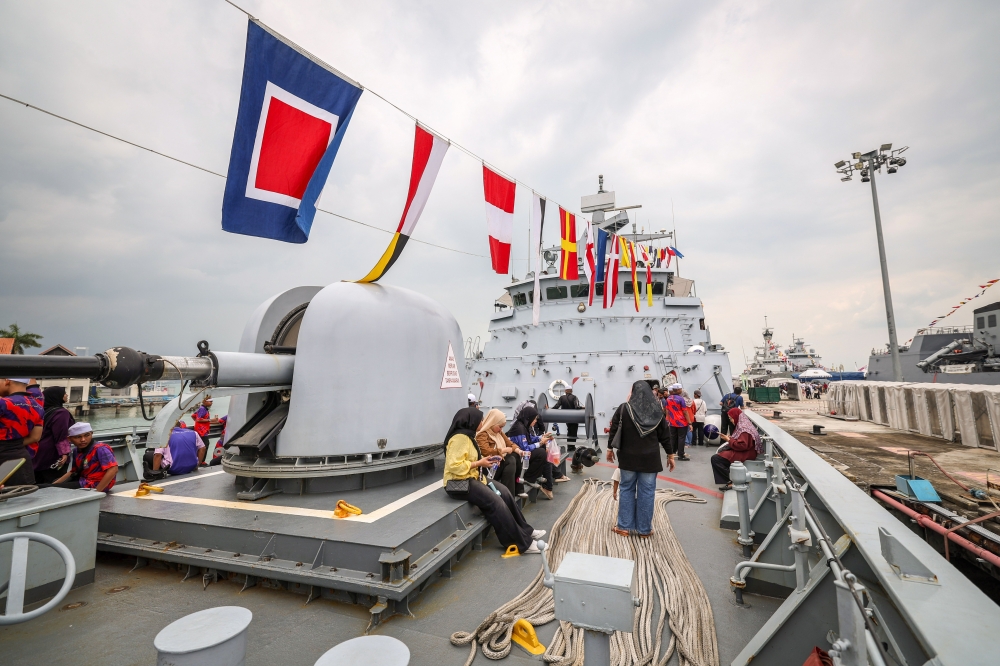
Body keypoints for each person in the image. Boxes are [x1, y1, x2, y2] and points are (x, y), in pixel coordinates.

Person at [443, 407, 544, 554]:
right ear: (471, 421)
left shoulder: (468, 436)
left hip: (473, 477)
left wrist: (485, 460)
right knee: (495, 502)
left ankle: (526, 530)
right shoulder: (459, 439)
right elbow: (454, 466)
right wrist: (479, 463)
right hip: (459, 482)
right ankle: (520, 543)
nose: (482, 422)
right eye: (480, 420)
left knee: (505, 493)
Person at [606, 381, 673, 537]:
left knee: (627, 489)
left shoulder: (624, 408)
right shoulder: (657, 410)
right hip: (650, 459)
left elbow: (614, 430)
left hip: (628, 458)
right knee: (647, 492)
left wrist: (610, 449)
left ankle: (623, 527)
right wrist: (670, 455)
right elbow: (665, 435)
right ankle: (644, 530)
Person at [506, 405, 563, 500]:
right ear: (529, 418)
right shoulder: (519, 428)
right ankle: (529, 478)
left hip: (523, 455)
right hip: (519, 456)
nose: (536, 421)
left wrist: (542, 437)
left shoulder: (523, 426)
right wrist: (540, 443)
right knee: (541, 453)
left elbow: (530, 438)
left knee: (543, 450)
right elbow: (525, 448)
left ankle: (537, 476)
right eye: (534, 419)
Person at [0, 377, 44, 486]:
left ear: (7, 381)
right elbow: (35, 437)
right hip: (21, 459)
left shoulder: (3, 403)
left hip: (2, 459)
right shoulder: (37, 406)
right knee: (21, 496)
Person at [51, 422, 119, 492]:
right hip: (83, 481)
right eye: (78, 437)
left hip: (94, 484)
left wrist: (97, 493)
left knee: (52, 488)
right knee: (50, 486)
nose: (83, 440)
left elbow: (113, 469)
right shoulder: (76, 451)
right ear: (69, 439)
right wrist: (54, 484)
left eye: (87, 435)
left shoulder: (100, 449)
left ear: (91, 434)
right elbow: (73, 471)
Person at [476, 409, 526, 498]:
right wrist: (503, 450)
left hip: (497, 463)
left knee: (515, 456)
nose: (501, 429)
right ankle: (509, 495)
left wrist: (520, 451)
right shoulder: (482, 435)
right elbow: (486, 451)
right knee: (511, 460)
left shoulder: (498, 433)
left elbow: (509, 443)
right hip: (487, 466)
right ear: (493, 423)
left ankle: (515, 490)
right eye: (500, 426)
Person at [31, 386, 75, 483]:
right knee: (54, 481)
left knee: (39, 480)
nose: (66, 395)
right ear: (57, 396)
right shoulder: (61, 413)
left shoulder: (42, 411)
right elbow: (61, 435)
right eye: (64, 393)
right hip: (52, 454)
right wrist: (64, 453)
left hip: (38, 452)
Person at [711, 408, 762, 491]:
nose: (731, 421)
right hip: (748, 451)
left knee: (716, 459)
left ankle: (733, 480)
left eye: (731, 418)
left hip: (746, 453)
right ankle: (732, 479)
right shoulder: (744, 425)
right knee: (722, 455)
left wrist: (728, 440)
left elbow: (742, 445)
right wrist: (731, 439)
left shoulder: (744, 429)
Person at [664, 384, 690, 461]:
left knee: (673, 438)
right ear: (678, 390)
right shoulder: (680, 399)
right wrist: (690, 423)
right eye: (681, 389)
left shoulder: (668, 399)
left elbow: (667, 410)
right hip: (681, 422)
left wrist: (667, 420)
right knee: (681, 438)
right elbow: (685, 411)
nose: (681, 390)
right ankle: (681, 455)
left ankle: (671, 453)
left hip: (672, 422)